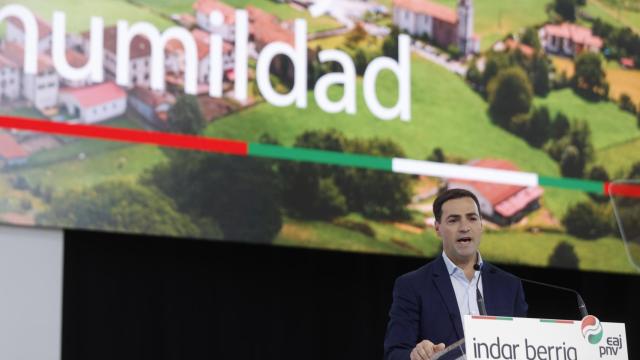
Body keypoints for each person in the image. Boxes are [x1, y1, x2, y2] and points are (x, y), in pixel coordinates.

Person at [384, 188, 528, 360]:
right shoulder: (412, 285)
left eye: (472, 218)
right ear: (438, 228)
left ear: (481, 224)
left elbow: (525, 348)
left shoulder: (510, 286)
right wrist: (416, 356)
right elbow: (394, 353)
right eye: (453, 220)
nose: (464, 227)